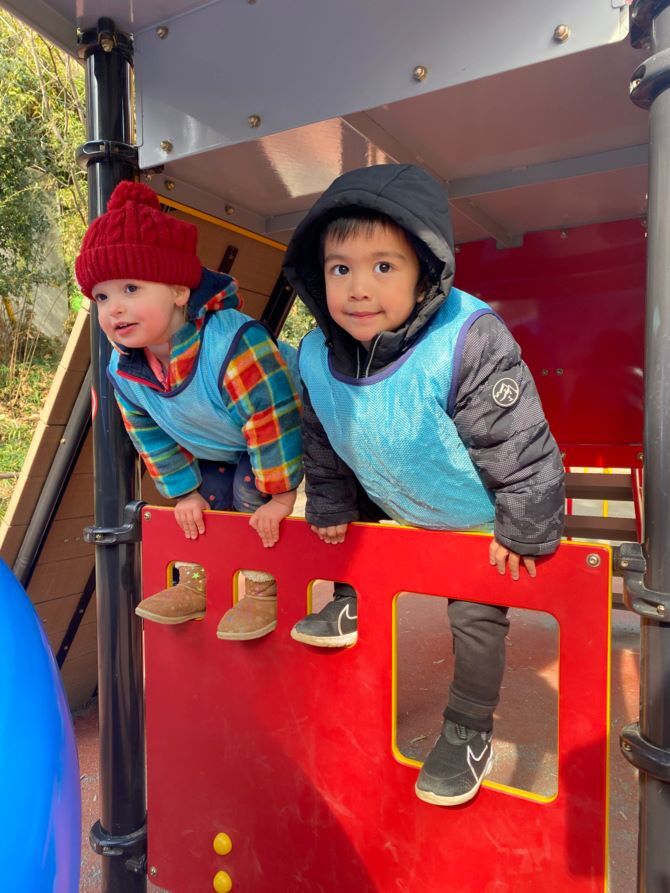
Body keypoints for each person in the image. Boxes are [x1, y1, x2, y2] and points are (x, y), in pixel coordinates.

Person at [282, 163, 564, 806]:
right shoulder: (316, 358)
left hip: (476, 513)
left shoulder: (466, 341)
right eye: (340, 268)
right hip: (395, 496)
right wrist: (327, 504)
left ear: (423, 274)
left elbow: (518, 442)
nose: (358, 288)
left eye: (384, 267)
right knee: (361, 539)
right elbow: (323, 440)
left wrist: (521, 528)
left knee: (474, 616)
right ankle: (352, 599)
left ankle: (467, 729)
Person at [75, 181, 302, 640]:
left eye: (131, 288)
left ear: (179, 291)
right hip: (221, 441)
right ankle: (198, 581)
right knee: (203, 502)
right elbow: (147, 431)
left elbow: (272, 414)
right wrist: (183, 492)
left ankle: (263, 588)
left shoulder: (233, 344)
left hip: (285, 431)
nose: (114, 308)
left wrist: (281, 494)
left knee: (249, 494)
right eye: (101, 296)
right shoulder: (126, 367)